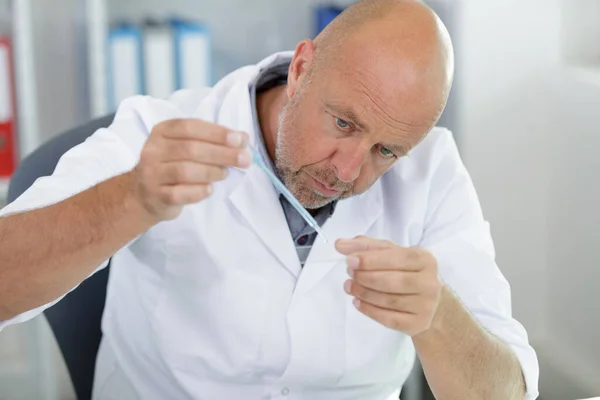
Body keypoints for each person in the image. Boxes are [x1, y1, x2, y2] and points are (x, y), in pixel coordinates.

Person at [0, 0, 539, 399]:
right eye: (343, 123)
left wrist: (439, 317)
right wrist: (129, 197)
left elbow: (505, 392)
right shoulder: (157, 129)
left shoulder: (433, 171)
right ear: (302, 68)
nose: (348, 171)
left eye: (386, 151)